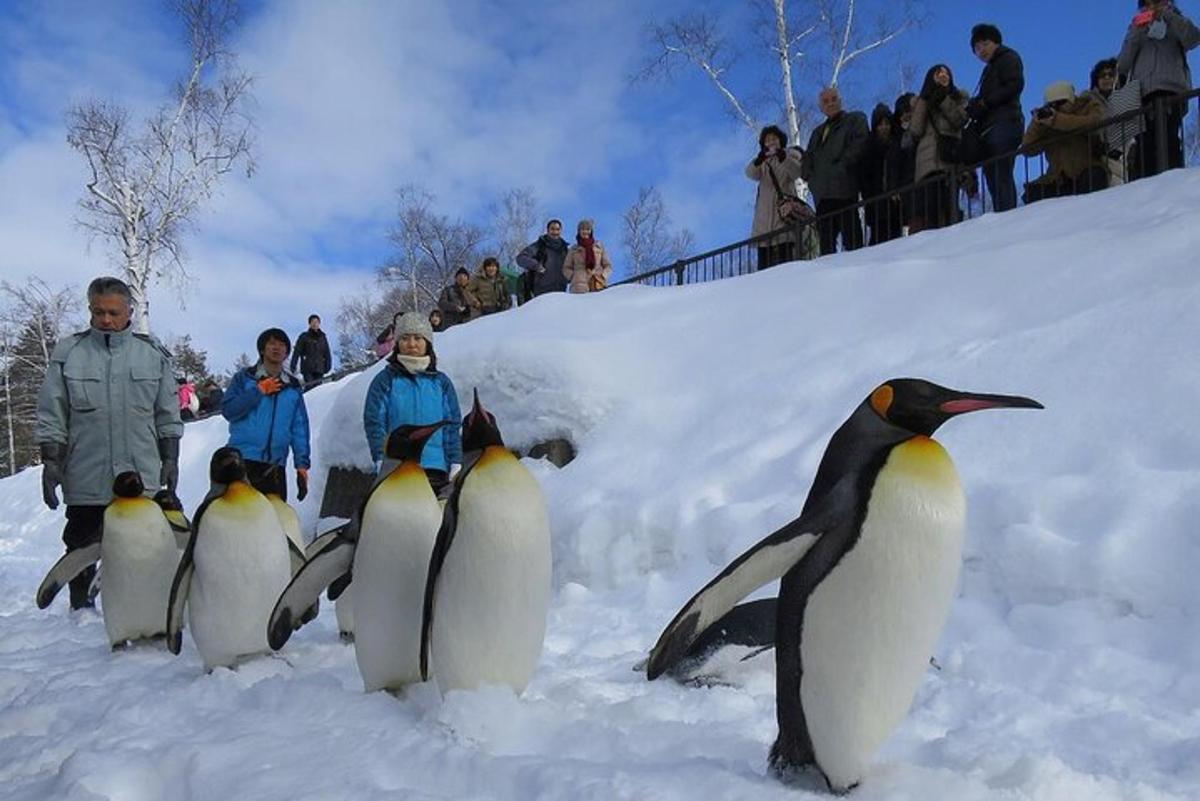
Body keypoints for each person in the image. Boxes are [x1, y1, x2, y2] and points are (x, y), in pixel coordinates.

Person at [35, 276, 182, 610]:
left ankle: (144, 613)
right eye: (99, 312)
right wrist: (51, 461)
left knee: (147, 549)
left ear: (129, 309)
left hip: (139, 476)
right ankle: (81, 614)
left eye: (114, 312)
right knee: (81, 546)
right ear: (90, 309)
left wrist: (170, 458)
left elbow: (167, 414)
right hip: (87, 473)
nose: (106, 320)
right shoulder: (69, 354)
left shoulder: (151, 354)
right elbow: (52, 411)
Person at [362, 312, 462, 496]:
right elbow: (374, 422)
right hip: (398, 469)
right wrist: (380, 458)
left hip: (436, 468)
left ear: (428, 343)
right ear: (397, 343)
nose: (412, 344)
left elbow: (452, 425)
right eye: (405, 338)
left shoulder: (441, 382)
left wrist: (455, 460)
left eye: (418, 338)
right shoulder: (386, 380)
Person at [221, 328, 311, 502]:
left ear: (287, 353)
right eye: (271, 343)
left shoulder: (292, 387)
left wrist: (302, 465)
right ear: (262, 349)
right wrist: (258, 391)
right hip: (242, 462)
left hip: (275, 466)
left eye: (282, 345)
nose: (277, 348)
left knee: (274, 524)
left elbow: (299, 426)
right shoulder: (245, 378)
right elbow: (229, 410)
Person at [1118, 0, 1200, 178]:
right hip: (1142, 94)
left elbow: (1193, 38)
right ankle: (1146, 185)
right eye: (1147, 4)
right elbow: (1123, 64)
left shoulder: (1176, 20)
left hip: (1172, 89)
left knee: (1169, 139)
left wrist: (1168, 15)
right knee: (1144, 143)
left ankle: (1173, 179)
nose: (1153, 6)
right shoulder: (1138, 29)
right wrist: (1137, 29)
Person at [802, 86, 868, 255]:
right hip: (823, 196)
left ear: (840, 101)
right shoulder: (818, 132)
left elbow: (859, 145)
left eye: (833, 99)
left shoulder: (854, 120)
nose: (830, 103)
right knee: (826, 248)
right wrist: (810, 179)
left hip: (845, 190)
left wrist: (841, 168)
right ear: (821, 107)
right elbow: (808, 157)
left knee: (853, 245)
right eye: (825, 101)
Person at [967, 24, 1025, 212]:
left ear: (996, 42)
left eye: (985, 44)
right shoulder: (990, 68)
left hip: (1005, 123)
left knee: (1001, 172)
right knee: (993, 173)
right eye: (976, 48)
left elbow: (1013, 85)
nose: (981, 50)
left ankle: (1008, 214)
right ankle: (1003, 213)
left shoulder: (1008, 58)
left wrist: (985, 103)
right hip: (991, 128)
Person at [1021, 81, 1107, 203]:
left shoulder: (1086, 106)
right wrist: (1037, 123)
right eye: (1052, 105)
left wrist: (1057, 120)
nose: (1057, 108)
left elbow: (1094, 123)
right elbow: (1027, 150)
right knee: (1032, 194)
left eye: (1061, 102)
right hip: (1057, 178)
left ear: (1072, 100)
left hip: (1086, 170)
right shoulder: (1047, 123)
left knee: (1093, 180)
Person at [908, 64, 971, 232]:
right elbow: (915, 130)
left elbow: (959, 120)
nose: (943, 75)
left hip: (949, 160)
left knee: (950, 208)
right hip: (927, 164)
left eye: (946, 73)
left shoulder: (958, 98)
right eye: (938, 73)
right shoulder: (921, 102)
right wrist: (924, 100)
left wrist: (943, 99)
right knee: (930, 210)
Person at [746, 124, 808, 269]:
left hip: (783, 218)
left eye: (774, 139)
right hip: (763, 223)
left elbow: (796, 172)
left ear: (781, 141)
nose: (771, 143)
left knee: (785, 265)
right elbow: (750, 173)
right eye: (767, 140)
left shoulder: (789, 155)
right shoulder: (762, 163)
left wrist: (783, 157)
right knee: (764, 269)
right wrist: (759, 160)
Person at [1083, 58, 1141, 187]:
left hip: (1124, 148)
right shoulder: (1088, 99)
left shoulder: (1126, 98)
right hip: (1100, 150)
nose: (1107, 79)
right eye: (1102, 75)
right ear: (1096, 79)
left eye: (1111, 75)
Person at [859, 104, 905, 245]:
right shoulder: (869, 149)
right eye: (880, 124)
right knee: (878, 241)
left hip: (895, 205)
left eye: (887, 123)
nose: (884, 128)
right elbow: (864, 179)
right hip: (876, 206)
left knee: (896, 240)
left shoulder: (897, 146)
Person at [516, 219, 571, 297]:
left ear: (561, 231)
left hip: (561, 291)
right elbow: (520, 258)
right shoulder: (539, 246)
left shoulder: (565, 249)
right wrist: (536, 265)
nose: (555, 232)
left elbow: (572, 266)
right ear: (547, 230)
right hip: (542, 291)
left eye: (557, 229)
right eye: (552, 229)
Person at [562, 219, 614, 293]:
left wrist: (603, 275)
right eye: (583, 229)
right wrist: (573, 276)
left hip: (598, 282)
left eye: (588, 229)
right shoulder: (573, 249)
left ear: (591, 231)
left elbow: (608, 265)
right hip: (579, 285)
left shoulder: (598, 246)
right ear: (579, 231)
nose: (585, 232)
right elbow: (566, 268)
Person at [290, 314, 333, 389]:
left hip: (320, 368)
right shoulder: (304, 336)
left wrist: (328, 365)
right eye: (313, 322)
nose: (315, 324)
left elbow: (327, 352)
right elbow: (297, 351)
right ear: (309, 324)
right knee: (309, 386)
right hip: (307, 367)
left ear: (319, 324)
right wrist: (293, 364)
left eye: (316, 322)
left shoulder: (323, 338)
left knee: (318, 388)